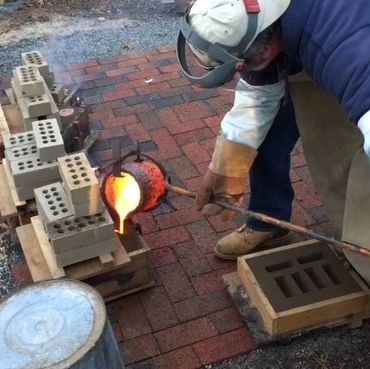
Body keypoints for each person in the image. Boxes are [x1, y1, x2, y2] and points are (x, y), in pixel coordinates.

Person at [175, 0, 370, 275]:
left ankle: (362, 250)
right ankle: (270, 223)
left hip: (351, 47)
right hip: (310, 41)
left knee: (349, 152)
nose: (242, 71)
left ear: (265, 47)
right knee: (269, 130)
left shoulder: (347, 49)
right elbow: (257, 98)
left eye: (244, 64)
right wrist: (226, 166)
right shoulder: (258, 16)